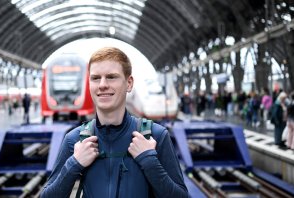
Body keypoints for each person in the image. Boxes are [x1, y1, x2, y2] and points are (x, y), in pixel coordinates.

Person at [41, 47, 188, 197]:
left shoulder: (155, 136)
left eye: (111, 77)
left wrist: (149, 160)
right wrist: (74, 163)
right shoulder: (74, 140)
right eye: (95, 78)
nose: (102, 84)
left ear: (129, 83)